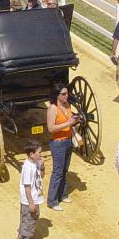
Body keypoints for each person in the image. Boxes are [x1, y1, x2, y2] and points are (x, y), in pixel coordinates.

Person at [45, 81, 80, 211]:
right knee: (57, 172)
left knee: (64, 170)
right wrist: (68, 123)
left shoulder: (67, 106)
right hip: (58, 143)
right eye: (63, 94)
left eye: (67, 93)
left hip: (68, 140)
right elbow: (51, 128)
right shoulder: (52, 109)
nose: (66, 96)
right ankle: (52, 201)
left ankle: (62, 195)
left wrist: (75, 122)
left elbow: (70, 122)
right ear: (57, 95)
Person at [18, 140, 45, 239]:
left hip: (35, 197)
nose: (41, 155)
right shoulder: (28, 167)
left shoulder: (36, 163)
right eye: (39, 152)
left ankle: (22, 235)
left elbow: (42, 176)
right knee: (30, 220)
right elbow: (27, 187)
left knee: (27, 219)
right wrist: (31, 203)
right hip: (30, 200)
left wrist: (42, 166)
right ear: (31, 154)